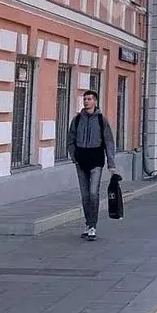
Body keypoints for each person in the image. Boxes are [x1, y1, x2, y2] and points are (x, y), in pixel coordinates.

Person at [67, 90, 117, 240]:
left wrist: (111, 164)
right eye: (85, 99)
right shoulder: (77, 120)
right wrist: (73, 156)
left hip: (96, 160)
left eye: (89, 99)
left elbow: (109, 142)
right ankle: (88, 224)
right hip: (81, 161)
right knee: (85, 195)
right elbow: (70, 139)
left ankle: (93, 226)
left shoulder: (102, 120)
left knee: (94, 193)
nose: (86, 101)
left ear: (95, 101)